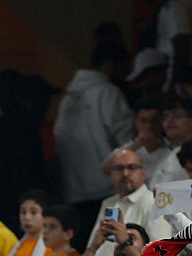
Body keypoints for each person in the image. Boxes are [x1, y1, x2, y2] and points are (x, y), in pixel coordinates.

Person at [55, 45, 135, 209]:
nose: (125, 74)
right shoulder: (108, 93)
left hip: (74, 191)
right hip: (108, 190)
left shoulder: (67, 100)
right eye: (123, 68)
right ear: (111, 64)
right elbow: (127, 140)